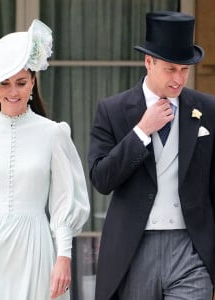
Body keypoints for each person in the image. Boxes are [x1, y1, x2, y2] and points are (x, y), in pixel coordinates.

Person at [0, 19, 90, 300]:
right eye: (5, 84)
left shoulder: (53, 133)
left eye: (21, 83)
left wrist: (64, 257)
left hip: (34, 248)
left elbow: (65, 198)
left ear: (33, 82)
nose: (13, 92)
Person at [88, 11, 215, 300]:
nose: (179, 78)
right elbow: (101, 179)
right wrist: (142, 131)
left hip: (190, 249)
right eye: (171, 69)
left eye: (184, 70)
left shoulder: (208, 109)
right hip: (134, 249)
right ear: (149, 62)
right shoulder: (113, 110)